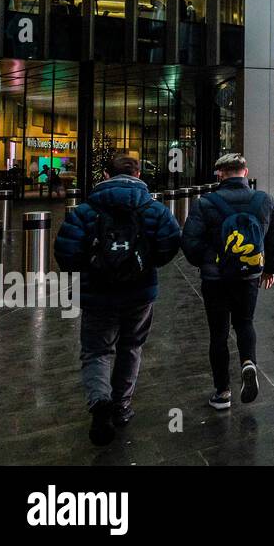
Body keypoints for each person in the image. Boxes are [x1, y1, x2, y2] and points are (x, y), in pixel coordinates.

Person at [54, 154, 182, 446]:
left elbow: (65, 252)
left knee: (97, 351)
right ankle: (122, 407)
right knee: (131, 347)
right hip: (139, 293)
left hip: (97, 293)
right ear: (138, 174)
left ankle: (100, 402)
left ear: (106, 175)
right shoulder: (154, 209)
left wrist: (91, 268)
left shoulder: (85, 210)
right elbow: (171, 243)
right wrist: (146, 264)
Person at [181, 153, 274, 411]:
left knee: (218, 333)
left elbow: (190, 243)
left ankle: (222, 392)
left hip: (215, 279)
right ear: (245, 172)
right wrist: (269, 269)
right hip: (248, 275)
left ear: (220, 173)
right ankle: (248, 362)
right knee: (245, 323)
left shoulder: (205, 203)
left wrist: (208, 261)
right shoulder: (263, 200)